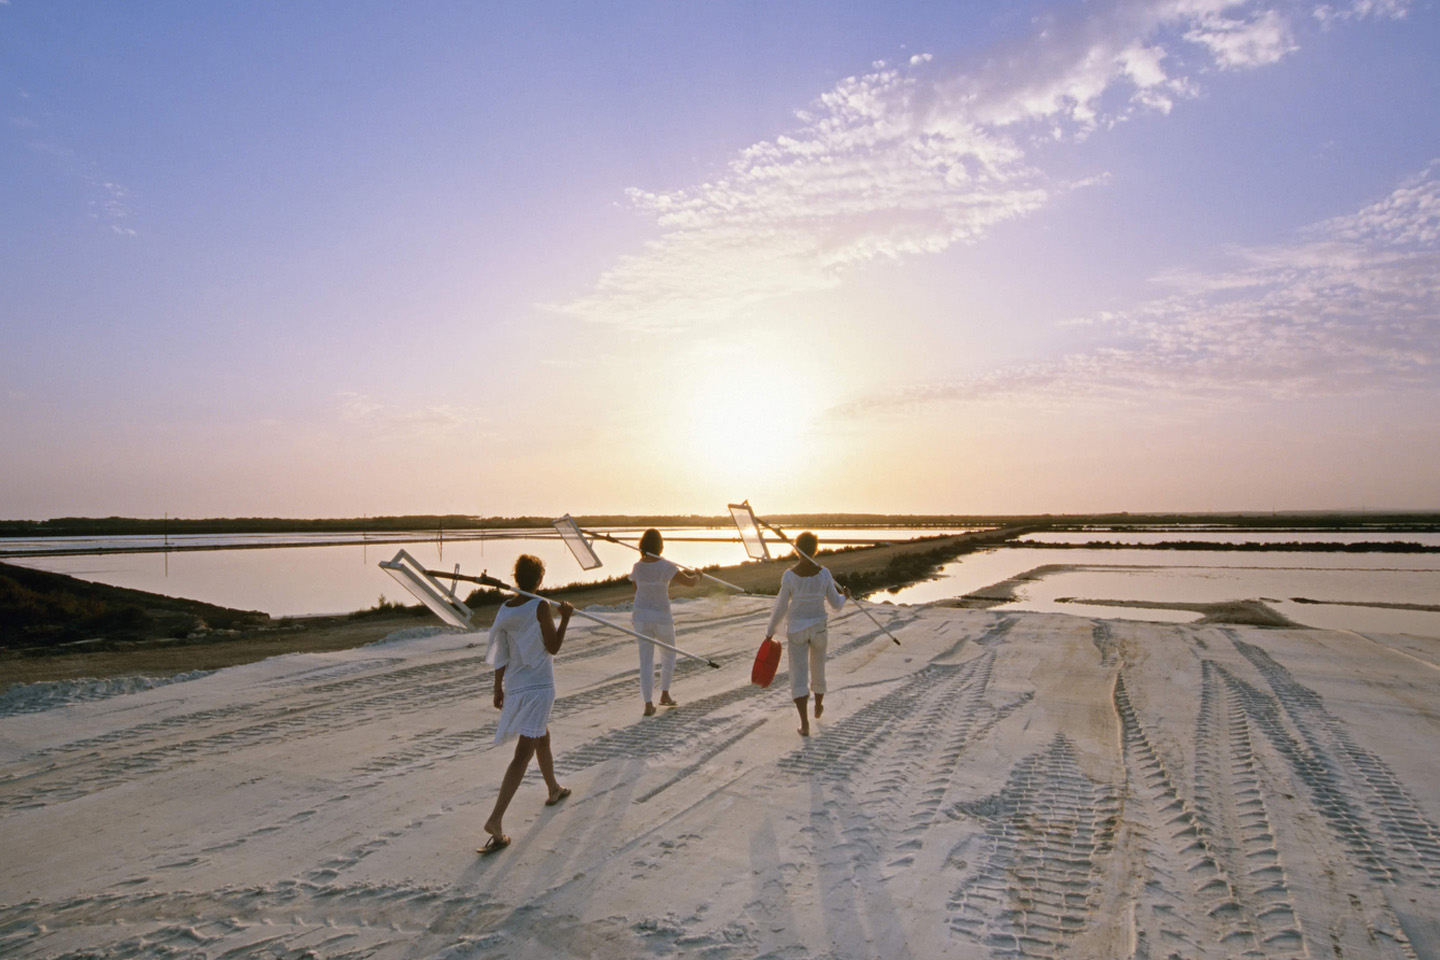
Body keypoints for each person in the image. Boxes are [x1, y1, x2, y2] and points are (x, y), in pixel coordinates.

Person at [480, 554, 573, 854]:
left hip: (517, 686)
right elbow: (554, 647)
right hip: (539, 686)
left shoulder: (505, 609)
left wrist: (498, 686)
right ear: (539, 580)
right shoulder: (540, 605)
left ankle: (553, 788)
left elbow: (500, 650)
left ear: (517, 577)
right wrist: (567, 617)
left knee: (540, 734)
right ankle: (496, 819)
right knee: (524, 750)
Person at [763, 532, 849, 737]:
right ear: (815, 549)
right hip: (819, 627)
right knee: (818, 668)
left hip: (797, 630)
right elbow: (836, 605)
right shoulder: (824, 574)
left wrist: (769, 631)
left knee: (798, 674)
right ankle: (818, 704)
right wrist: (845, 596)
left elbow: (780, 607)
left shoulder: (790, 575)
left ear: (797, 549)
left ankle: (805, 724)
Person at [629, 528, 701, 716]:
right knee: (668, 654)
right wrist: (698, 575)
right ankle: (665, 694)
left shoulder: (637, 567)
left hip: (641, 617)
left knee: (645, 661)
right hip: (661, 616)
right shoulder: (666, 566)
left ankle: (648, 704)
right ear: (659, 546)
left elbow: (636, 590)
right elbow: (690, 583)